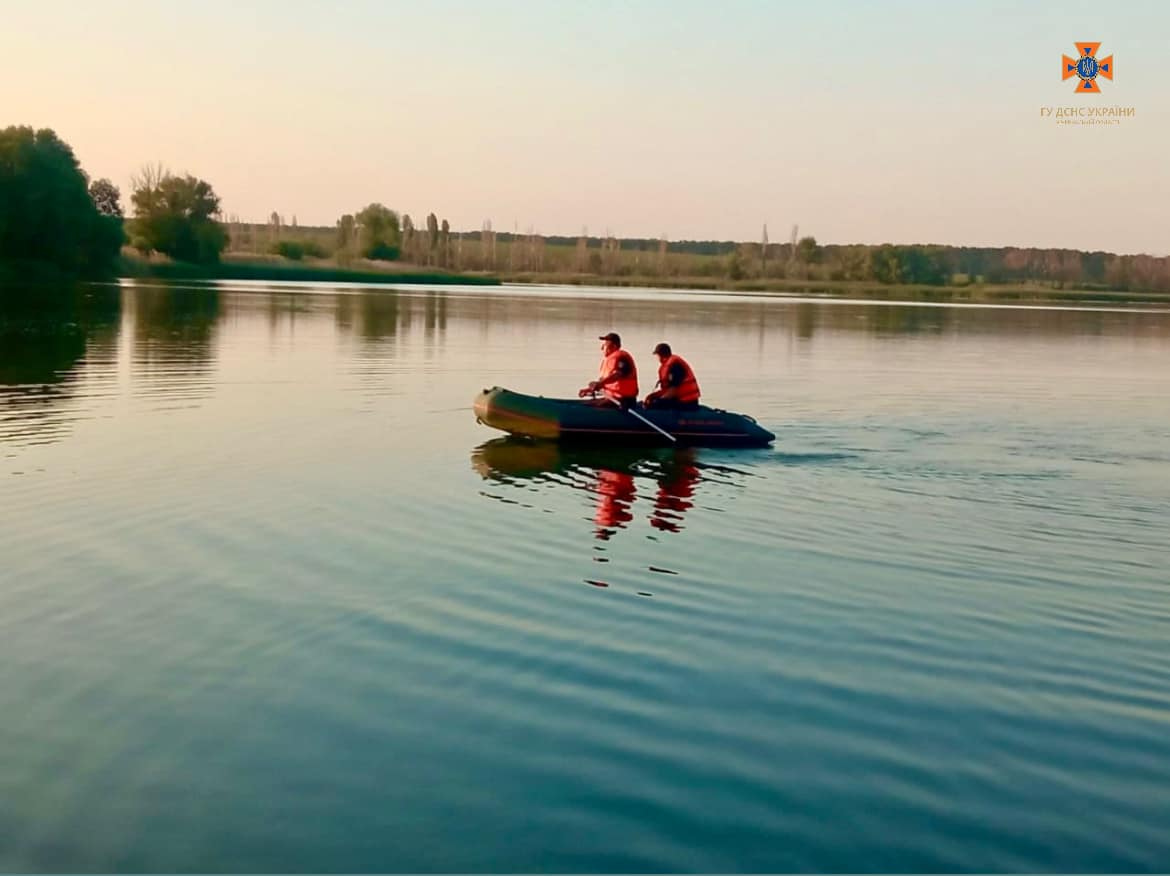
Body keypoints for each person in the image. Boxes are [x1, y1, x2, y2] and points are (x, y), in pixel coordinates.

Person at [579, 332, 639, 409]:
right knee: (584, 404)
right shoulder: (609, 360)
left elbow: (618, 374)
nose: (601, 348)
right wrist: (590, 389)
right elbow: (606, 382)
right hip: (611, 398)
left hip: (622, 401)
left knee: (586, 407)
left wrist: (599, 383)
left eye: (604, 345)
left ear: (613, 346)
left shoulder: (621, 357)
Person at [643, 342, 700, 410]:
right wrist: (653, 396)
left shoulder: (675, 365)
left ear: (660, 355)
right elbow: (668, 390)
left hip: (687, 402)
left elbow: (674, 390)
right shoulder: (669, 364)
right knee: (652, 400)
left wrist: (659, 401)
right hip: (679, 399)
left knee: (655, 405)